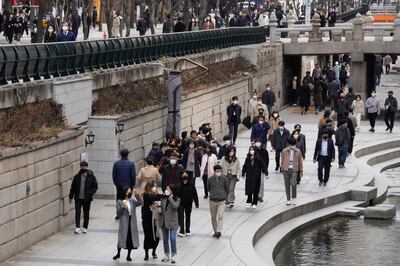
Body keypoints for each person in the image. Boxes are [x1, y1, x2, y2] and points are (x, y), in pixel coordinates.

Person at [113, 187, 142, 261]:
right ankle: (118, 253)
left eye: (130, 191)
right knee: (121, 238)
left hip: (132, 222)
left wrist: (137, 195)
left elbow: (141, 203)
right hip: (124, 222)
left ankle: (128, 255)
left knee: (130, 239)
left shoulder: (132, 200)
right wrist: (122, 207)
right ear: (125, 192)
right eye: (128, 191)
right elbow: (118, 213)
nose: (130, 193)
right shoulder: (120, 201)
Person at [68, 161, 98, 234]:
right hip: (78, 198)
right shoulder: (77, 176)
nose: (83, 168)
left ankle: (85, 227)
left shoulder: (91, 176)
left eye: (84, 166)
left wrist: (91, 193)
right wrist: (70, 197)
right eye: (82, 166)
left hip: (87, 198)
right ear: (80, 167)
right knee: (78, 212)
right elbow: (73, 187)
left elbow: (95, 186)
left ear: (87, 167)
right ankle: (77, 227)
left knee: (86, 213)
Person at [141, 181, 163, 261]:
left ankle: (154, 251)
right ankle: (146, 253)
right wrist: (162, 195)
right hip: (147, 219)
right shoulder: (146, 195)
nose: (154, 188)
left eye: (155, 187)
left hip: (155, 219)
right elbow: (151, 198)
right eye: (152, 187)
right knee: (147, 236)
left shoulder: (156, 195)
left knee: (156, 237)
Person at [113, 149, 136, 220]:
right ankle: (128, 212)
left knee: (119, 199)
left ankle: (118, 213)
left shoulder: (116, 163)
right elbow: (133, 175)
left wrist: (116, 184)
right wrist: (132, 184)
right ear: (128, 154)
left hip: (119, 185)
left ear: (120, 154)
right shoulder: (131, 163)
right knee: (128, 198)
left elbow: (114, 175)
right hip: (128, 185)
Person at [160, 184, 180, 263]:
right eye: (166, 189)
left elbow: (175, 207)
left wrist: (169, 198)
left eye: (168, 189)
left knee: (173, 238)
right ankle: (166, 254)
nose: (166, 190)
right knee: (165, 239)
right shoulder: (163, 198)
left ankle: (173, 254)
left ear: (172, 190)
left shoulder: (177, 198)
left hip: (173, 222)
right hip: (164, 221)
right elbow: (162, 208)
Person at [207, 165, 228, 238]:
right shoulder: (210, 179)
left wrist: (225, 197)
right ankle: (215, 231)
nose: (219, 172)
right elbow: (208, 188)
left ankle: (219, 231)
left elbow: (226, 189)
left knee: (220, 215)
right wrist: (212, 194)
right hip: (212, 200)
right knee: (213, 217)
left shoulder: (224, 179)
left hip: (221, 201)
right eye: (217, 171)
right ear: (214, 171)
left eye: (220, 171)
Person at [281, 138, 303, 205]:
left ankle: (294, 198)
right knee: (287, 185)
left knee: (293, 184)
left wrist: (301, 170)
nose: (293, 146)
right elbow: (282, 160)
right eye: (292, 144)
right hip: (286, 169)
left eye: (294, 144)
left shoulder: (298, 151)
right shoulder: (284, 151)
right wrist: (282, 168)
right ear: (289, 144)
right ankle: (288, 199)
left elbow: (300, 161)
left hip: (294, 170)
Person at [178, 172, 199, 237]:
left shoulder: (191, 185)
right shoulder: (179, 185)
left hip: (189, 203)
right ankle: (181, 230)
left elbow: (195, 194)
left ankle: (187, 230)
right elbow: (176, 194)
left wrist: (196, 203)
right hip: (181, 203)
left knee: (188, 216)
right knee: (181, 217)